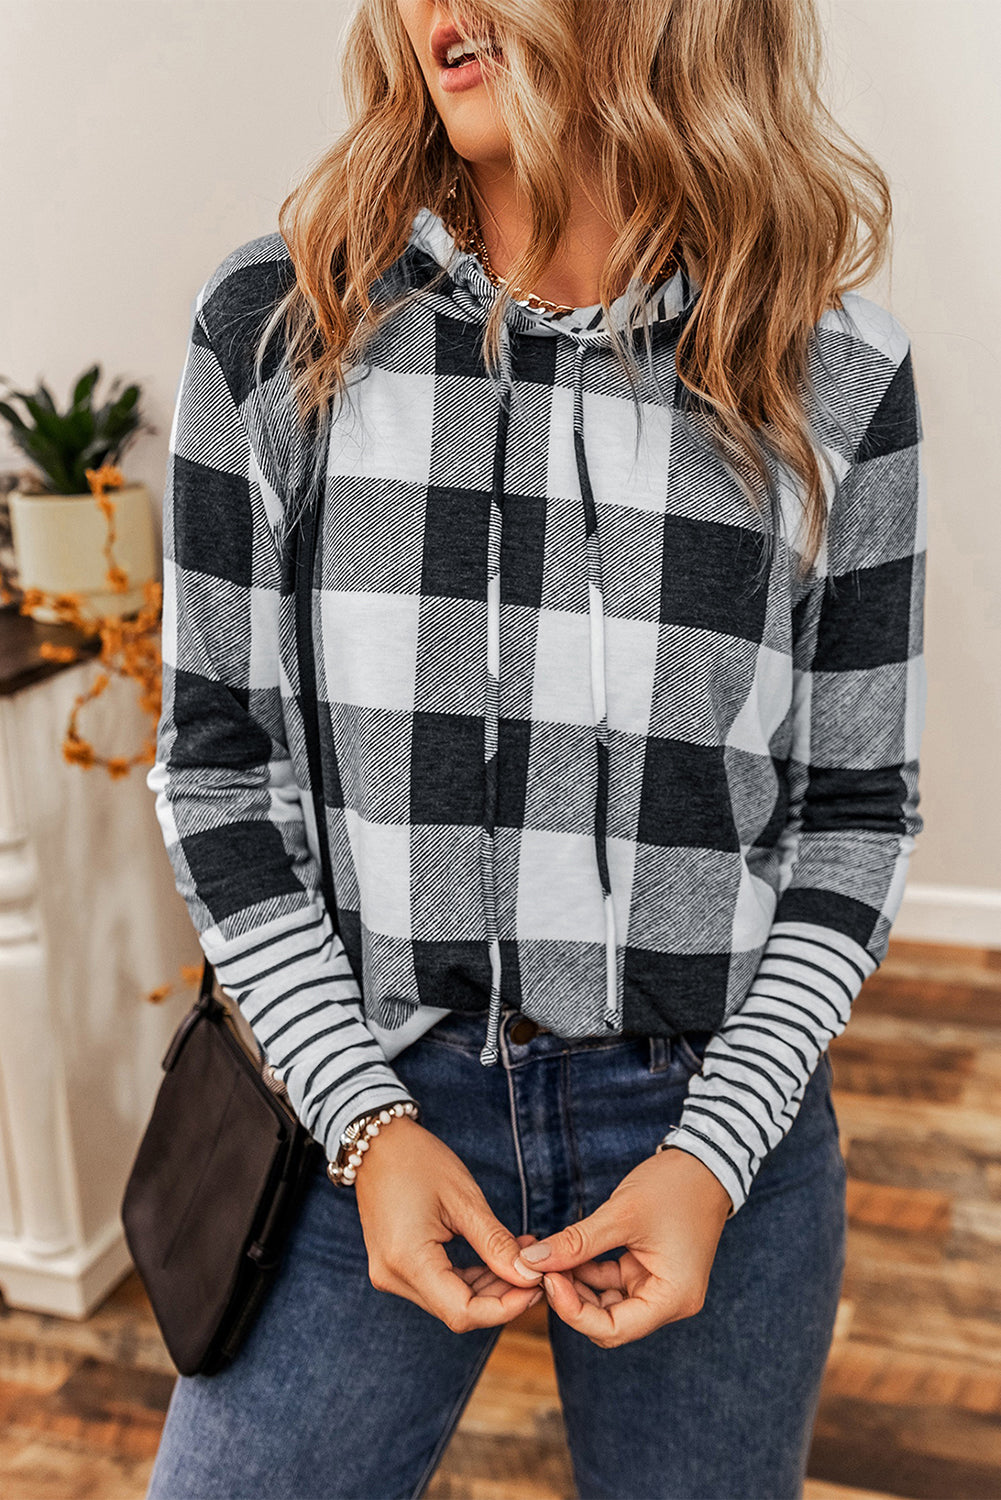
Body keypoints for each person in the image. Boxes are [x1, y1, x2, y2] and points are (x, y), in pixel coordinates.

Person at [144, 0, 927, 1496]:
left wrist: (710, 1154)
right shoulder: (279, 328)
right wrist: (363, 1124)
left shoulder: (834, 376)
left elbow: (853, 814)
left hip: (717, 1124)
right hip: (358, 1098)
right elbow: (216, 767)